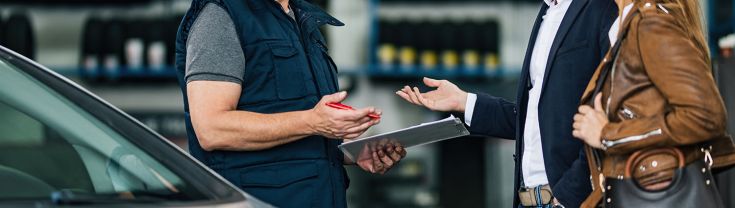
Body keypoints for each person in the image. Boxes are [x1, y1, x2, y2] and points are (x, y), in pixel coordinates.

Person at [174, 0, 406, 207]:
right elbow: (212, 129)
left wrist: (351, 153)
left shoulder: (299, 19)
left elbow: (295, 126)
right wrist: (313, 122)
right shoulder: (220, 16)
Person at [397, 0, 617, 207]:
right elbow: (531, 120)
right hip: (529, 200)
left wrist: (569, 198)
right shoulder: (547, 13)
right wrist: (463, 101)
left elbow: (612, 119)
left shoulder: (603, 8)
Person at [572, 0, 735, 206]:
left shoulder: (651, 25)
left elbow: (706, 116)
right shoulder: (635, 24)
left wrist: (608, 135)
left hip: (653, 193)